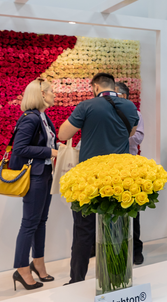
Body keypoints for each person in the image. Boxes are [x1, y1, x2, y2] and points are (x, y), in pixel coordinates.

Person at [58, 73, 139, 284]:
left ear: (95, 87)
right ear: (113, 87)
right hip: (119, 178)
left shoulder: (86, 106)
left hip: (89, 178)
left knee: (83, 230)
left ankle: (77, 280)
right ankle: (117, 278)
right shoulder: (130, 107)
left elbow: (63, 135)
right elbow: (131, 134)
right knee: (117, 228)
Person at [10, 78, 58, 290]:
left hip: (45, 173)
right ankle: (21, 268)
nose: (54, 94)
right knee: (30, 223)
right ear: (42, 94)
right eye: (51, 91)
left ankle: (38, 263)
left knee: (41, 221)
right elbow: (19, 148)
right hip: (35, 176)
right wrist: (50, 151)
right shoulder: (30, 118)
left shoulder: (43, 117)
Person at [115, 81, 145, 265]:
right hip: (110, 167)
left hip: (129, 165)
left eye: (116, 95)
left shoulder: (136, 114)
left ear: (125, 96)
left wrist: (117, 135)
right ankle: (115, 248)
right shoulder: (107, 113)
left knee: (133, 209)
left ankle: (136, 249)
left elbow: (138, 137)